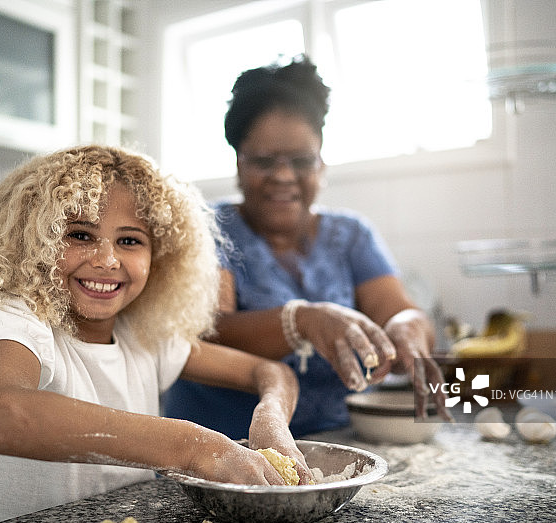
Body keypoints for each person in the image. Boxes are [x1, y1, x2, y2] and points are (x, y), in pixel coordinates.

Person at [0, 145, 312, 523]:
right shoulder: (15, 319)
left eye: (130, 240)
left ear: (161, 257)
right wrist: (192, 445)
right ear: (32, 242)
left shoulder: (144, 337)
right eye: (80, 235)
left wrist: (271, 423)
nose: (106, 260)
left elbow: (272, 373)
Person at [164, 55, 452, 439]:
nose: (283, 176)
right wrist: (299, 320)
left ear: (322, 164)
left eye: (301, 161)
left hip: (340, 442)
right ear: (238, 163)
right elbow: (211, 332)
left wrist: (407, 330)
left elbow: (400, 312)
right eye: (264, 161)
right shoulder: (208, 229)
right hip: (221, 449)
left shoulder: (352, 235)